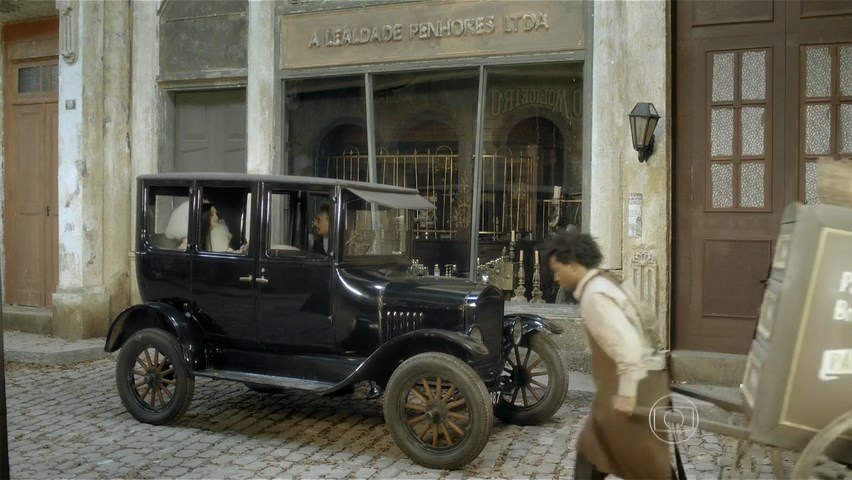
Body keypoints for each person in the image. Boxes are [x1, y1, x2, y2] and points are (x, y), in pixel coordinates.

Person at [542, 231, 672, 480]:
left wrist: (627, 394)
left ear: (574, 265)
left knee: (646, 465)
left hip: (632, 389)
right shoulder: (607, 282)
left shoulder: (596, 296)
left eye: (558, 270)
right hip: (625, 388)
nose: (556, 278)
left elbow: (629, 347)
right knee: (591, 454)